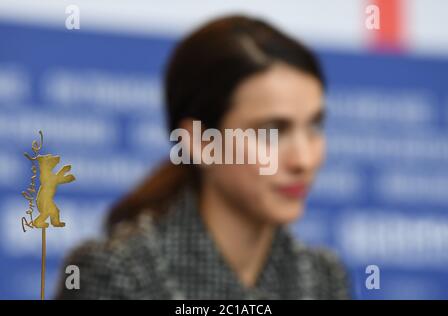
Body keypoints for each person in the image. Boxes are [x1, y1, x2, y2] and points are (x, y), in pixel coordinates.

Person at [56, 15, 351, 300]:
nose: (303, 159)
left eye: (315, 126)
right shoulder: (117, 273)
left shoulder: (324, 277)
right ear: (199, 142)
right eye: (271, 131)